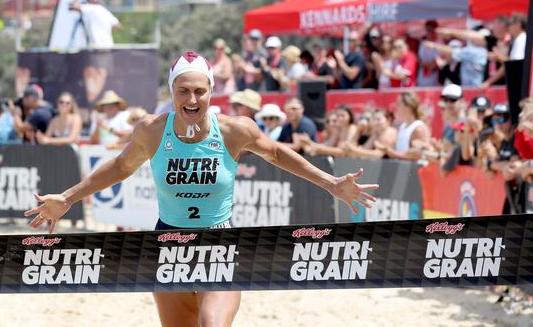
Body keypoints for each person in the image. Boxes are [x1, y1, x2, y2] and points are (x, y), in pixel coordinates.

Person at [24, 50, 378, 327]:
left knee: (212, 323)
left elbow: (277, 154)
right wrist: (68, 198)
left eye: (200, 91)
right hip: (168, 243)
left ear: (211, 91)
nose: (192, 99)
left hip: (220, 242)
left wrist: (331, 182)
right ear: (172, 92)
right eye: (183, 91)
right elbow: (119, 168)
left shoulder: (233, 130)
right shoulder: (151, 130)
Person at [375, 92, 430, 161]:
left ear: (408, 107)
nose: (396, 107)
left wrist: (389, 151)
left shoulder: (418, 128)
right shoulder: (403, 126)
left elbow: (417, 156)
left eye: (398, 104)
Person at [417, 20, 440, 87]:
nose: (430, 32)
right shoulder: (422, 43)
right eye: (428, 30)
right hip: (422, 79)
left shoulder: (439, 44)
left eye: (431, 30)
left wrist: (424, 64)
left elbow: (434, 65)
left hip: (434, 80)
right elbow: (419, 59)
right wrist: (423, 64)